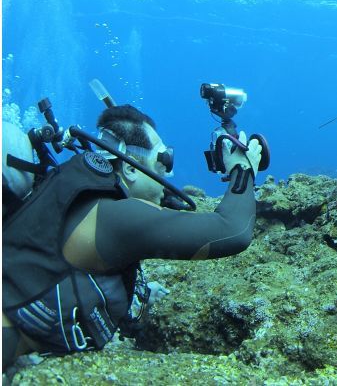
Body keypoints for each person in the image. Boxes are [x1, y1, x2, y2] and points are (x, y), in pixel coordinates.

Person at [2, 104, 262, 371]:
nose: (168, 172)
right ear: (131, 168)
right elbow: (233, 230)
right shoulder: (114, 217)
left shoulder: (88, 203)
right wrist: (242, 168)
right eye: (163, 159)